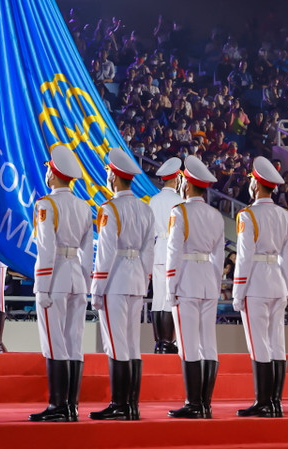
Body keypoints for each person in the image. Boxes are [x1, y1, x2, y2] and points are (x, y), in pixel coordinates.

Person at [29, 145, 94, 423]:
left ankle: (58, 406)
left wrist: (42, 285)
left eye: (48, 169)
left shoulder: (46, 204)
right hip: (77, 276)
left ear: (54, 174)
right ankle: (72, 406)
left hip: (54, 276)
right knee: (74, 342)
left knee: (54, 343)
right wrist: (87, 282)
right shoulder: (83, 205)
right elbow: (88, 248)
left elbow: (45, 248)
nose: (46, 173)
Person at [89, 148, 155, 421]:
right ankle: (131, 405)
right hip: (137, 276)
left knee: (115, 343)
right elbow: (149, 250)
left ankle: (119, 404)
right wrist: (144, 276)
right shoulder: (145, 208)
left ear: (115, 177)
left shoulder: (110, 208)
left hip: (115, 278)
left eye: (108, 173)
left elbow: (105, 253)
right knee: (131, 343)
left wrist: (97, 288)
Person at [232, 157, 288, 418]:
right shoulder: (285, 216)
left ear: (257, 184)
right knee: (276, 344)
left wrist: (237, 293)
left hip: (256, 281)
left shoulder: (248, 214)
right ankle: (276, 401)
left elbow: (244, 258)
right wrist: (287, 285)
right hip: (278, 281)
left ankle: (263, 401)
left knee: (259, 344)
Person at [166, 155, 225, 419]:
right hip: (208, 281)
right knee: (208, 344)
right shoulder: (216, 215)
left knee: (188, 344)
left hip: (187, 279)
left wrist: (170, 286)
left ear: (187, 185)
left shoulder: (180, 212)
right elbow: (219, 257)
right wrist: (213, 281)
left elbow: (173, 252)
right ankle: (205, 403)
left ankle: (193, 403)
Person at [148, 157, 183, 354]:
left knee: (158, 297)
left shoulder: (154, 200)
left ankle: (159, 342)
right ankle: (168, 342)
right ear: (176, 179)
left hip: (158, 247)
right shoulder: (179, 201)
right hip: (173, 249)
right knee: (170, 298)